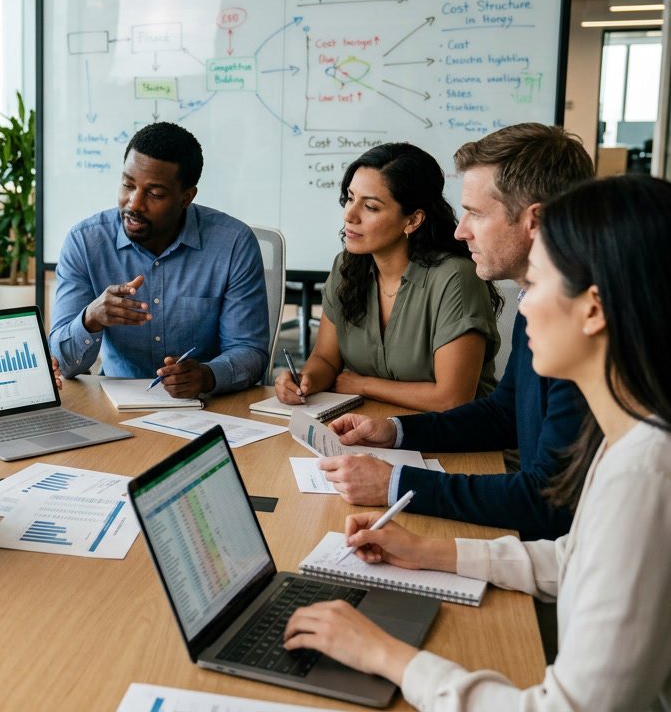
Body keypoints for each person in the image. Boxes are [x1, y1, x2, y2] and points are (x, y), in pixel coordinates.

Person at [283, 174, 671, 711]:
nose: (523, 307)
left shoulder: (645, 474)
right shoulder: (632, 436)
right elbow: (575, 559)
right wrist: (428, 551)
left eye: (537, 283)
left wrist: (385, 655)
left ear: (593, 309)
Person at [319, 124, 592, 540]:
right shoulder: (536, 300)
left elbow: (550, 500)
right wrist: (395, 430)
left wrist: (395, 484)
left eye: (476, 214)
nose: (461, 231)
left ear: (533, 221)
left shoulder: (583, 326)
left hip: (562, 554)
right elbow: (504, 414)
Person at [273, 143, 500, 413]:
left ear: (413, 220)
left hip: (456, 434)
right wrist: (305, 380)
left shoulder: (455, 278)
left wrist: (364, 385)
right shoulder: (346, 266)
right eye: (350, 198)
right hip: (372, 425)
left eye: (370, 207)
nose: (349, 215)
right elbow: (326, 359)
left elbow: (452, 399)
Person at [49, 122, 270, 399]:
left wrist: (207, 376)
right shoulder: (85, 242)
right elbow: (62, 365)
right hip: (115, 403)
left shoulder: (233, 244)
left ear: (186, 197)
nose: (134, 203)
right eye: (127, 185)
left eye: (154, 194)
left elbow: (250, 350)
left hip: (207, 404)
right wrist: (90, 318)